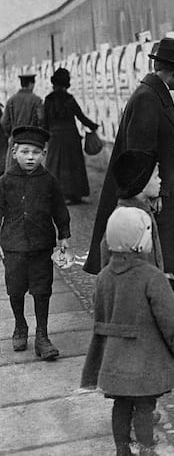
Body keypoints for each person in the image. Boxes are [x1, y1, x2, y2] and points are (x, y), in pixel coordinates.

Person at [84, 37, 174, 289]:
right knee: (152, 256)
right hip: (152, 193)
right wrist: (148, 194)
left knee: (157, 255)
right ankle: (154, 304)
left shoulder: (152, 94)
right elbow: (139, 152)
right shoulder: (148, 97)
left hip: (157, 189)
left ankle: (158, 300)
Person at [81, 206, 174, 456]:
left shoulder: (104, 276)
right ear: (138, 243)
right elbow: (169, 318)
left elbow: (99, 311)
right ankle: (146, 448)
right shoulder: (152, 277)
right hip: (145, 358)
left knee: (121, 404)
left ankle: (122, 449)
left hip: (114, 357)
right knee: (144, 406)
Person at [0, 126, 70, 360]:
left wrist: (64, 236)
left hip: (41, 247)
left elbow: (60, 210)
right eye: (25, 152)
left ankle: (42, 335)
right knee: (16, 289)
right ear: (14, 153)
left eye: (36, 153)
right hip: (13, 246)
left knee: (42, 291)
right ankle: (20, 325)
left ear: (44, 154)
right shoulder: (5, 181)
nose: (30, 157)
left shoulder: (49, 181)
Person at [100, 149, 174, 325]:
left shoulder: (143, 211)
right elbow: (110, 262)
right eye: (156, 176)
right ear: (140, 182)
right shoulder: (129, 219)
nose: (161, 180)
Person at [43, 68, 100, 204]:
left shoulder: (48, 99)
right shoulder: (69, 99)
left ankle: (56, 195)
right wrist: (93, 126)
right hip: (71, 135)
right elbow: (80, 116)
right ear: (66, 83)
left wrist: (45, 136)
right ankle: (75, 194)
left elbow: (45, 121)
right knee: (74, 165)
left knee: (55, 166)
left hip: (55, 136)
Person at [1, 74, 45, 171]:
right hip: (31, 138)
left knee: (13, 170)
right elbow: (41, 119)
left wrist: (10, 134)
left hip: (15, 138)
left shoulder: (11, 100)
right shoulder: (36, 100)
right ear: (31, 84)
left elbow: (4, 122)